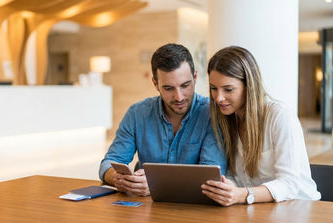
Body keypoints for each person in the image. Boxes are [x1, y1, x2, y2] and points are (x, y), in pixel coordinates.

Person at [99, 43, 227, 196]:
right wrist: (117, 178)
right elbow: (109, 162)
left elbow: (211, 177)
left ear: (195, 77)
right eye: (168, 88)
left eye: (185, 85)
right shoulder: (137, 113)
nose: (179, 97)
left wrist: (156, 184)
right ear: (155, 83)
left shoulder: (212, 114)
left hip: (194, 209)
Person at [201, 46, 321, 206]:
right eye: (213, 88)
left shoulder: (279, 116)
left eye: (228, 89)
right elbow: (235, 177)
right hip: (259, 210)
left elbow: (289, 184)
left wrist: (242, 195)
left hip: (299, 208)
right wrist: (227, 188)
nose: (219, 98)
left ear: (249, 86)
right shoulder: (228, 119)